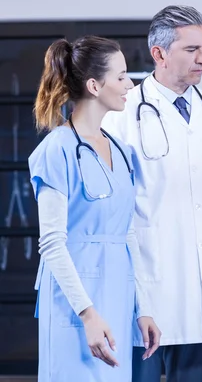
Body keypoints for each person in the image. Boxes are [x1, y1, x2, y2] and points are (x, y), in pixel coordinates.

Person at [101, 5, 202, 382]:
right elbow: (114, 211)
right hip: (148, 290)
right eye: (192, 50)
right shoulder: (122, 115)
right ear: (159, 54)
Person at [29, 36, 161, 381]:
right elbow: (53, 244)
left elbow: (127, 234)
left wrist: (142, 309)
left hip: (116, 296)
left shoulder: (121, 151)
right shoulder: (56, 150)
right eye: (120, 77)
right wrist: (87, 314)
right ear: (93, 85)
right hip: (74, 305)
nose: (129, 85)